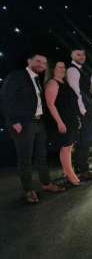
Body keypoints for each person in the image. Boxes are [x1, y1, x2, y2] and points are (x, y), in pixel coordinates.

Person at [0, 54, 65, 203]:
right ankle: (28, 190)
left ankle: (46, 184)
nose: (41, 64)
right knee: (25, 159)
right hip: (23, 123)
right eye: (38, 61)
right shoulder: (17, 76)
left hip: (38, 122)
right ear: (29, 61)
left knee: (41, 156)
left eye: (44, 62)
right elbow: (5, 97)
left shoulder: (37, 79)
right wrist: (14, 121)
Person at [45, 61, 81, 186]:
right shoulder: (52, 83)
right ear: (52, 69)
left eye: (63, 67)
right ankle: (70, 174)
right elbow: (50, 104)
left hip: (71, 119)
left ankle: (67, 172)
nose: (62, 69)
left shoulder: (64, 83)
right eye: (59, 67)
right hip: (63, 120)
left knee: (69, 147)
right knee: (66, 147)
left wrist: (77, 119)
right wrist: (59, 122)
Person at [66, 49, 92, 180]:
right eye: (78, 54)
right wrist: (83, 110)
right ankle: (83, 170)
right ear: (72, 56)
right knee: (84, 139)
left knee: (86, 139)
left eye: (83, 54)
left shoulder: (81, 69)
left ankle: (81, 167)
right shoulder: (72, 70)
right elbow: (76, 92)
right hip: (82, 109)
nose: (82, 56)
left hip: (87, 107)